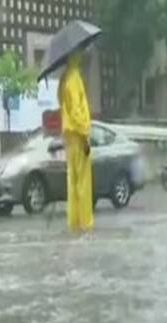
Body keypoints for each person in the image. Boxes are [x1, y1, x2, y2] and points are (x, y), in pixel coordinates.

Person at [58, 50, 93, 232]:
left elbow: (63, 106)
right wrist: (85, 133)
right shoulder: (74, 79)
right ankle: (84, 222)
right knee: (83, 182)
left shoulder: (64, 79)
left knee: (72, 181)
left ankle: (74, 222)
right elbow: (77, 111)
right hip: (78, 135)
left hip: (69, 135)